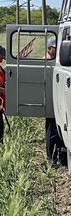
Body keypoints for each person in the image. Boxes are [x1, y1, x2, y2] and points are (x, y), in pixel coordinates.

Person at [44, 38, 67, 166]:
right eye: (54, 47)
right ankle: (52, 158)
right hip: (52, 100)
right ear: (49, 48)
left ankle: (58, 155)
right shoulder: (46, 61)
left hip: (57, 98)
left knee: (54, 130)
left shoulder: (54, 60)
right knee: (52, 130)